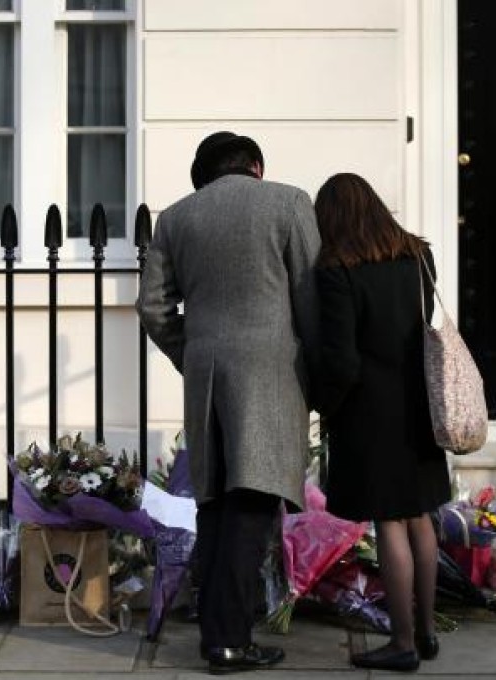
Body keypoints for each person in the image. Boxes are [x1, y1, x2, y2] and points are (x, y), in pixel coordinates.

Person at [137, 131, 320, 675]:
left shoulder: (174, 218)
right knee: (252, 505)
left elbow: (152, 308)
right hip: (271, 373)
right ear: (255, 166)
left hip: (206, 373)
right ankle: (229, 641)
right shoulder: (288, 202)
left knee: (215, 504)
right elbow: (310, 296)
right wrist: (319, 375)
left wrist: (192, 351)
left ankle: (217, 632)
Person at [313, 173, 451, 672]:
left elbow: (342, 360)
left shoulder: (336, 268)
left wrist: (322, 403)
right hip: (418, 402)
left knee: (389, 520)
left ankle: (402, 642)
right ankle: (429, 632)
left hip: (371, 410)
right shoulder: (418, 254)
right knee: (421, 517)